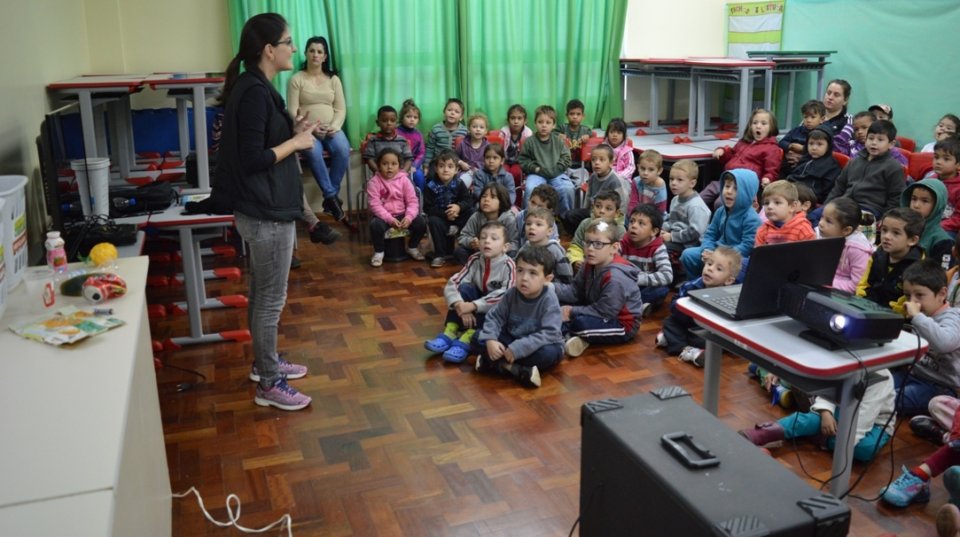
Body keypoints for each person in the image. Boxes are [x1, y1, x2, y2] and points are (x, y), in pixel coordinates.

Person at [217, 13, 315, 410]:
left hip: (264, 208)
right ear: (269, 50)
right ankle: (270, 384)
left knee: (262, 294)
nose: (295, 48)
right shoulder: (254, 92)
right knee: (270, 300)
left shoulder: (256, 86)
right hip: (265, 212)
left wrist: (293, 131)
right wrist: (297, 144)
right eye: (289, 42)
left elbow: (261, 141)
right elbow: (252, 159)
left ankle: (265, 364)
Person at [739, 368, 895, 462]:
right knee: (813, 419)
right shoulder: (847, 359)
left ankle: (815, 434)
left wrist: (844, 443)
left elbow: (862, 421)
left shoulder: (882, 378)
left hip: (874, 424)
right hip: (840, 410)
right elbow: (829, 389)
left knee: (865, 449)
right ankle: (762, 433)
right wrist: (826, 412)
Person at [424, 221, 516, 363]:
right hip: (473, 304)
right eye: (483, 237)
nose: (487, 241)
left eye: (494, 238)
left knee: (496, 305)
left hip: (494, 310)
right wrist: (459, 305)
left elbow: (507, 294)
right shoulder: (474, 259)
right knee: (464, 288)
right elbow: (454, 282)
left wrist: (473, 306)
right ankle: (450, 331)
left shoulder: (509, 265)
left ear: (505, 247)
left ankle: (467, 339)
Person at [475, 246, 564, 387]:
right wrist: (491, 339)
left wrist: (518, 348)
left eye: (533, 273)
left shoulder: (549, 299)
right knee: (477, 338)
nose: (524, 278)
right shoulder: (511, 293)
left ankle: (495, 364)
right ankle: (516, 370)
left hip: (537, 345)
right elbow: (495, 317)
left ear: (547, 279)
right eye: (520, 270)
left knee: (549, 354)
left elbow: (549, 333)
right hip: (512, 338)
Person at [555, 220, 644, 357]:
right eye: (587, 242)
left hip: (621, 323)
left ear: (614, 248)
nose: (590, 248)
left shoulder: (616, 278)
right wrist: (550, 288)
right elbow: (575, 291)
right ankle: (573, 336)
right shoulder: (588, 264)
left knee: (579, 323)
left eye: (598, 244)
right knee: (556, 304)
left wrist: (571, 311)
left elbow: (605, 312)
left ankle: (563, 336)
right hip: (596, 307)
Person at [286, 36, 351, 225]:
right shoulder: (296, 79)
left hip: (331, 128)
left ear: (325, 57)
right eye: (312, 50)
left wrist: (335, 126)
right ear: (306, 53)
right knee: (313, 152)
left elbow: (340, 109)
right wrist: (309, 127)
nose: (315, 54)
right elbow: (292, 110)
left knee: (343, 149)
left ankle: (330, 199)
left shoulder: (334, 80)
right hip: (307, 130)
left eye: (319, 51)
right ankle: (331, 197)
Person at [892, 260, 960, 416]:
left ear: (942, 294)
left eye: (919, 295)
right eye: (907, 295)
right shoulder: (922, 316)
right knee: (875, 389)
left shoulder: (954, 317)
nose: (912, 302)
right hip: (912, 375)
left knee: (890, 400)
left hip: (940, 387)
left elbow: (944, 343)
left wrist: (917, 317)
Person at [656, 246, 742, 366]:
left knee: (714, 340)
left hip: (708, 331)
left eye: (718, 269)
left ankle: (671, 339)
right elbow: (674, 305)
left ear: (729, 281)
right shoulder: (691, 286)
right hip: (689, 322)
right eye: (709, 264)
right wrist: (686, 308)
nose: (710, 269)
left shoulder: (732, 294)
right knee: (669, 322)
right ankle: (686, 350)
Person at [680, 169, 761, 281]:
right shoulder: (721, 211)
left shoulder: (752, 219)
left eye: (736, 188)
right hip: (715, 251)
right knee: (688, 255)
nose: (729, 191)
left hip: (735, 257)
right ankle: (698, 283)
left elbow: (747, 247)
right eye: (727, 186)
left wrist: (719, 256)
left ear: (747, 193)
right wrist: (707, 249)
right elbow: (710, 234)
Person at [822, 119, 906, 220]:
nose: (874, 143)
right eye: (870, 138)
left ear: (891, 144)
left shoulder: (893, 167)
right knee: (814, 216)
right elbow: (839, 186)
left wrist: (884, 219)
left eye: (880, 140)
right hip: (844, 204)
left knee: (837, 222)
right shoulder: (854, 161)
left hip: (869, 209)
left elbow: (896, 198)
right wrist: (826, 205)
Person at [701, 108, 781, 207]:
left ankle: (721, 217)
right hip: (727, 180)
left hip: (743, 186)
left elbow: (772, 170)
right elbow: (730, 155)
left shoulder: (772, 148)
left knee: (720, 203)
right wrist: (722, 151)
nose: (758, 126)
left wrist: (768, 178)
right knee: (703, 196)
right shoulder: (744, 142)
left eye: (763, 123)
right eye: (755, 123)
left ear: (772, 128)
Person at [366, 147, 427, 267]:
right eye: (385, 164)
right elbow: (375, 205)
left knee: (421, 222)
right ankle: (379, 252)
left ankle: (412, 247)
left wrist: (409, 217)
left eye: (394, 164)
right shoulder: (374, 182)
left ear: (399, 166)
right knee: (375, 225)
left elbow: (412, 201)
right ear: (378, 165)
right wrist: (390, 219)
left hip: (403, 214)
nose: (389, 167)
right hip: (384, 217)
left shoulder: (405, 180)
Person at [856, 207, 924, 312]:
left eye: (896, 233)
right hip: (868, 307)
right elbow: (863, 285)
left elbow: (907, 302)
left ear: (912, 240)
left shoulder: (918, 267)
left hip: (894, 315)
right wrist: (862, 302)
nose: (886, 236)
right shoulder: (878, 254)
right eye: (884, 230)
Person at [661, 159, 710, 284]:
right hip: (675, 236)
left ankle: (679, 277)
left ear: (692, 183)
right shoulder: (675, 200)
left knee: (661, 248)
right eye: (671, 179)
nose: (674, 183)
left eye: (679, 180)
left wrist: (672, 236)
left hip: (691, 243)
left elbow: (695, 232)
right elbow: (671, 220)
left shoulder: (696, 206)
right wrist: (662, 229)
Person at [520, 105, 574, 215]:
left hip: (557, 173)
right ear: (535, 123)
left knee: (567, 189)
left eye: (548, 122)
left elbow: (566, 158)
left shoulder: (559, 141)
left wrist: (556, 169)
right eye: (540, 122)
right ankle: (528, 218)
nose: (544, 125)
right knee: (530, 188)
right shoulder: (529, 142)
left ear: (553, 125)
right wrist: (535, 168)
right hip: (537, 174)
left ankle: (565, 219)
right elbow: (523, 160)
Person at [424, 149, 474, 268]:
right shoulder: (430, 186)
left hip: (458, 217)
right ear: (436, 169)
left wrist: (459, 207)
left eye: (450, 166)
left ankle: (465, 248)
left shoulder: (459, 183)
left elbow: (468, 200)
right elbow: (428, 208)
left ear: (456, 170)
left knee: (471, 212)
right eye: (441, 166)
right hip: (441, 218)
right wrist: (446, 214)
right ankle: (439, 255)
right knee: (432, 220)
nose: (446, 170)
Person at [621, 204, 672, 315]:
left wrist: (638, 279)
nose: (634, 226)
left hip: (643, 285)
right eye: (632, 221)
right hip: (624, 284)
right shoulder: (622, 242)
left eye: (641, 223)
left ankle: (628, 305)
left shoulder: (658, 248)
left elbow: (667, 276)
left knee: (662, 289)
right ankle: (637, 306)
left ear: (654, 231)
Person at [562, 143, 625, 233]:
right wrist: (585, 212)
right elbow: (588, 197)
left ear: (611, 163)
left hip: (608, 215)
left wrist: (616, 222)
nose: (597, 163)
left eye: (602, 160)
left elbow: (622, 206)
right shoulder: (593, 177)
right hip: (594, 212)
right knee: (570, 216)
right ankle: (580, 237)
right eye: (593, 159)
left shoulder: (615, 181)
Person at [818, 197, 873, 293]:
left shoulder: (857, 250)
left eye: (828, 221)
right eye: (822, 217)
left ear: (846, 230)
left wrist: (825, 282)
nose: (821, 223)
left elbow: (857, 285)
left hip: (842, 295)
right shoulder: (821, 236)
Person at [455, 183, 517, 263]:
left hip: (500, 255)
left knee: (512, 253)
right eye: (484, 196)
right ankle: (475, 268)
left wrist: (498, 247)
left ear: (502, 201)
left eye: (492, 197)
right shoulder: (476, 216)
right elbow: (463, 237)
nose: (486, 200)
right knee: (460, 251)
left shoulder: (509, 219)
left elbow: (515, 244)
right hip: (481, 253)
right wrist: (471, 242)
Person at [567, 191, 624, 274]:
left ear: (617, 213)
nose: (602, 211)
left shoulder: (620, 230)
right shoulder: (585, 223)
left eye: (608, 208)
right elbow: (576, 246)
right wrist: (576, 260)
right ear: (593, 207)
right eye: (598, 206)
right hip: (585, 265)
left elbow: (620, 254)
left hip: (609, 269)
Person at [903, 178, 953, 264]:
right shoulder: (901, 228)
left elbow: (941, 270)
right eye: (914, 199)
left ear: (937, 205)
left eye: (925, 201)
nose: (916, 205)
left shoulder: (943, 241)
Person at [786, 126, 841, 204]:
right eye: (811, 144)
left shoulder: (832, 167)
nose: (814, 148)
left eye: (819, 144)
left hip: (810, 200)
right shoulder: (805, 159)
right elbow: (794, 176)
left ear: (828, 146)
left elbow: (825, 192)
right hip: (793, 191)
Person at [519, 207, 573, 284]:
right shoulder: (524, 248)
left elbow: (567, 279)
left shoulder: (555, 250)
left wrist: (551, 287)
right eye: (528, 224)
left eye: (538, 224)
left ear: (549, 231)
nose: (531, 227)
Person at [754, 180, 815, 246]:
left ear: (792, 206)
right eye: (766, 203)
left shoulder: (803, 229)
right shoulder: (763, 230)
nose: (770, 206)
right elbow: (758, 251)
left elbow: (811, 251)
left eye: (777, 202)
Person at [362, 105, 414, 175]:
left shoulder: (402, 141)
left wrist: (402, 173)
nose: (389, 123)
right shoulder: (373, 140)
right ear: (378, 123)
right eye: (384, 120)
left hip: (399, 176)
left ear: (396, 123)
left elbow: (408, 159)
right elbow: (369, 159)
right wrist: (379, 173)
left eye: (392, 120)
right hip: (380, 176)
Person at [778, 99, 825, 174]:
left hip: (808, 168)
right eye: (806, 117)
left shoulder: (822, 135)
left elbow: (821, 153)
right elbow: (781, 142)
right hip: (788, 164)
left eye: (813, 117)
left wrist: (802, 149)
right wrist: (790, 146)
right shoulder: (796, 130)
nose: (808, 120)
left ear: (822, 119)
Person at [499, 104, 532, 204]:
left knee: (516, 173)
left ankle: (516, 203)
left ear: (525, 121)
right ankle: (502, 201)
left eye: (519, 118)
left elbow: (529, 153)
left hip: (519, 162)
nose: (516, 121)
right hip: (505, 161)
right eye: (513, 118)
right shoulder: (504, 131)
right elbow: (499, 148)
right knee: (502, 173)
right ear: (508, 120)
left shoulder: (528, 133)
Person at [423, 98, 467, 170]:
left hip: (456, 164)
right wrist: (426, 166)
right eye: (449, 110)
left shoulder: (464, 131)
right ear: (444, 112)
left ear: (461, 117)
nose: (452, 113)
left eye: (456, 112)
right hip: (437, 163)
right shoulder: (436, 129)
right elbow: (430, 148)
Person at [516, 184, 560, 249]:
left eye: (540, 206)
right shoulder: (519, 216)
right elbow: (514, 241)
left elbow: (552, 249)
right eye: (533, 202)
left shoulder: (550, 225)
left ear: (549, 211)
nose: (534, 208)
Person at [557, 99, 593, 177]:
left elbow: (593, 136)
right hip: (564, 164)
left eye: (578, 114)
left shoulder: (586, 130)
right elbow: (552, 133)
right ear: (567, 115)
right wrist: (558, 135)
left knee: (584, 177)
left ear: (583, 116)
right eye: (572, 114)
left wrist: (588, 137)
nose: (575, 117)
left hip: (581, 165)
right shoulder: (562, 128)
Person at [933, 137, 960, 238]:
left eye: (946, 159)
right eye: (936, 157)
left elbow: (958, 219)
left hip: (949, 229)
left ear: (958, 165)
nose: (938, 162)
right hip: (929, 224)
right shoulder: (930, 180)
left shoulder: (958, 188)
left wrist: (937, 226)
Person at [397, 99, 426, 190]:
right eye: (408, 116)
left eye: (415, 117)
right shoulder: (395, 132)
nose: (412, 119)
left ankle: (419, 197)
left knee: (419, 176)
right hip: (396, 165)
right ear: (402, 118)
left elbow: (421, 153)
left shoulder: (418, 135)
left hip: (413, 167)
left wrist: (414, 166)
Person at [820, 79, 854, 155]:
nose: (830, 97)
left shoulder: (848, 122)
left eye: (836, 95)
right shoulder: (814, 115)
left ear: (845, 100)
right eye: (828, 93)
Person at [627, 149, 667, 216]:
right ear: (638, 167)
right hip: (638, 214)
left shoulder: (659, 185)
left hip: (655, 217)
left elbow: (661, 210)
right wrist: (632, 217)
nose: (645, 173)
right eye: (642, 168)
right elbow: (633, 203)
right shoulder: (636, 181)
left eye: (651, 170)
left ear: (659, 171)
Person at [456, 113, 490, 189]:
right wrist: (461, 162)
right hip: (466, 173)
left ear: (486, 131)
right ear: (469, 129)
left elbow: (491, 163)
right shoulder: (462, 144)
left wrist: (481, 170)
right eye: (474, 127)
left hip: (483, 174)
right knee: (461, 184)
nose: (478, 129)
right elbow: (455, 157)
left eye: (481, 127)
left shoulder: (488, 146)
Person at [604, 118, 636, 183]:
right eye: (612, 132)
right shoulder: (603, 149)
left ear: (624, 136)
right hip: (605, 179)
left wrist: (619, 176)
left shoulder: (627, 151)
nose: (615, 135)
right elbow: (599, 164)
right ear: (607, 134)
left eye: (618, 133)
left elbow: (631, 167)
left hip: (623, 180)